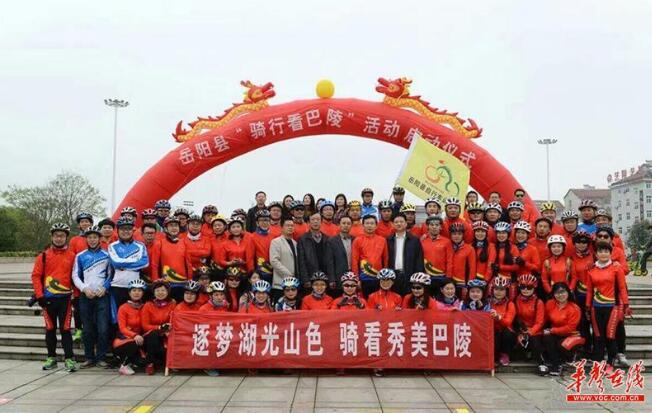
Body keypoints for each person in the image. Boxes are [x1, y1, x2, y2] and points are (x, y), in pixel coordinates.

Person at [32, 223, 77, 371]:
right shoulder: (43, 256)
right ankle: (51, 358)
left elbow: (75, 277)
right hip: (48, 299)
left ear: (66, 238)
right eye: (56, 235)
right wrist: (40, 296)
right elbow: (36, 276)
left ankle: (69, 359)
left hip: (65, 300)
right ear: (51, 237)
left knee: (65, 330)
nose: (59, 238)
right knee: (50, 329)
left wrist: (76, 296)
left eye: (62, 236)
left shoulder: (72, 256)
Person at [72, 225, 112, 369]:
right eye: (90, 237)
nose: (92, 240)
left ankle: (101, 357)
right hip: (86, 296)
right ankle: (89, 358)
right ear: (86, 239)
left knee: (103, 328)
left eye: (95, 237)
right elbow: (75, 275)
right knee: (87, 329)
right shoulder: (80, 256)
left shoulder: (107, 255)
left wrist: (105, 288)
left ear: (100, 239)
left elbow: (111, 275)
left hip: (102, 296)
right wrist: (84, 289)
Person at [586, 242, 631, 369]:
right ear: (596, 254)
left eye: (606, 251)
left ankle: (611, 362)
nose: (603, 254)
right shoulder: (591, 270)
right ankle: (598, 362)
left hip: (612, 307)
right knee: (598, 335)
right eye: (600, 251)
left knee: (610, 335)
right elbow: (589, 291)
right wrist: (587, 306)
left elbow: (622, 288)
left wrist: (626, 304)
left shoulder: (616, 268)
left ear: (610, 254)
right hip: (596, 307)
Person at [108, 217, 149, 312]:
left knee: (135, 314)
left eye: (128, 229)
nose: (126, 231)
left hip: (136, 287)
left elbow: (145, 263)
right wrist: (135, 261)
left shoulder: (140, 246)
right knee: (117, 316)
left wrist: (123, 264)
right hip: (117, 286)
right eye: (122, 229)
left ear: (133, 230)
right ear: (117, 231)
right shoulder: (112, 246)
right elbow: (116, 263)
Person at [543, 282, 582, 376]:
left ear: (568, 292)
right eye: (557, 293)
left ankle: (572, 356)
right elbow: (544, 319)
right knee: (546, 338)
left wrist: (552, 330)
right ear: (553, 294)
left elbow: (570, 328)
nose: (560, 295)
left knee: (561, 345)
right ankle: (556, 364)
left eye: (563, 292)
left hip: (571, 335)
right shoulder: (549, 304)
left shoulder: (574, 308)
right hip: (556, 333)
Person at [150, 216, 192, 302]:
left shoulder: (184, 242)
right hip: (166, 283)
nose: (174, 228)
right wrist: (156, 282)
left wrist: (190, 280)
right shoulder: (159, 243)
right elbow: (154, 265)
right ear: (166, 228)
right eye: (171, 225)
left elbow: (188, 264)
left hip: (182, 283)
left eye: (176, 225)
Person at [113, 279, 147, 376]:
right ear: (129, 292)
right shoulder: (123, 308)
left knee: (143, 362)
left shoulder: (145, 306)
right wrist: (135, 335)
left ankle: (133, 361)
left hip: (140, 339)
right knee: (133, 344)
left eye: (139, 290)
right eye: (134, 290)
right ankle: (124, 365)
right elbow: (122, 328)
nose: (136, 293)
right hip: (124, 340)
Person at [141, 279, 176, 375]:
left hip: (167, 334)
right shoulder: (148, 305)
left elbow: (174, 320)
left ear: (167, 292)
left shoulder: (173, 304)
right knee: (154, 334)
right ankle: (150, 363)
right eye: (157, 290)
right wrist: (160, 328)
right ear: (153, 292)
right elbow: (145, 326)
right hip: (150, 336)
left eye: (163, 290)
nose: (160, 293)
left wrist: (167, 329)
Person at [513, 274, 546, 374]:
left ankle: (541, 363)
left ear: (534, 287)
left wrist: (529, 332)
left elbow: (540, 322)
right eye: (523, 287)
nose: (525, 290)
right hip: (521, 329)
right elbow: (516, 317)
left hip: (535, 330)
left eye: (529, 287)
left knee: (535, 342)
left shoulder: (539, 302)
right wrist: (521, 331)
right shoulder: (516, 300)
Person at [387, 212, 424, 295]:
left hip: (409, 275)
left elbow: (419, 259)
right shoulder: (389, 240)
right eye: (396, 222)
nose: (399, 224)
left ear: (406, 223)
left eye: (401, 221)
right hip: (393, 276)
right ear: (392, 224)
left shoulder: (414, 240)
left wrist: (418, 276)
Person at [352, 215, 388, 297]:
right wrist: (356, 279)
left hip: (379, 278)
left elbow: (385, 259)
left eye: (372, 223)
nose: (369, 226)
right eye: (367, 223)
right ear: (363, 225)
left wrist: (385, 277)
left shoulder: (382, 240)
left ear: (376, 225)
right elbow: (354, 260)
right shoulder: (357, 240)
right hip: (364, 278)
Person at [571, 231, 594, 348]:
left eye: (584, 242)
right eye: (578, 242)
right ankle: (585, 347)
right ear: (574, 243)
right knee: (582, 323)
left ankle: (598, 348)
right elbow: (572, 277)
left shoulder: (594, 256)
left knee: (595, 323)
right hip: (579, 294)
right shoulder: (571, 258)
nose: (581, 244)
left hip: (595, 294)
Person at [421, 215, 453, 293]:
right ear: (427, 227)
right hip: (426, 276)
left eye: (437, 225)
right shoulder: (422, 241)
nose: (434, 227)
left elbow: (449, 260)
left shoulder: (447, 242)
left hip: (441, 276)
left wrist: (448, 276)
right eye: (431, 225)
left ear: (440, 227)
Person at [298, 213, 329, 291]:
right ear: (308, 222)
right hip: (310, 276)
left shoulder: (327, 238)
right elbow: (301, 261)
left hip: (325, 276)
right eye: (313, 219)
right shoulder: (303, 239)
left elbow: (330, 260)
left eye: (318, 219)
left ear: (321, 222)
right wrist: (305, 279)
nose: (315, 222)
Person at [489, 276, 516, 366]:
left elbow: (508, 322)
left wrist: (498, 317)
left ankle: (505, 354)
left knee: (507, 333)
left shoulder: (510, 304)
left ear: (506, 291)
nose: (498, 292)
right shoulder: (488, 302)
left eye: (502, 289)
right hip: (492, 331)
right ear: (492, 290)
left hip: (505, 332)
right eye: (496, 289)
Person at [270, 218, 298, 303]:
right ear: (282, 227)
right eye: (287, 225)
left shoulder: (295, 243)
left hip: (293, 284)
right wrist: (288, 274)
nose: (290, 227)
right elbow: (274, 261)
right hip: (280, 283)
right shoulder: (276, 242)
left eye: (292, 225)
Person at [324, 215, 354, 297]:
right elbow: (329, 261)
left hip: (352, 276)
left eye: (348, 223)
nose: (346, 225)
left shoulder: (355, 239)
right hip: (338, 276)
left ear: (351, 225)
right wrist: (331, 279)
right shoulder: (332, 241)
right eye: (343, 223)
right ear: (339, 225)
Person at [513, 221, 541, 297]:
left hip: (527, 283)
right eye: (518, 232)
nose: (520, 235)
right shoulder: (512, 247)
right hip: (513, 280)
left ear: (527, 235)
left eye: (523, 233)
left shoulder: (532, 249)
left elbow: (537, 267)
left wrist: (524, 263)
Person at [449, 223, 476, 299]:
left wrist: (469, 285)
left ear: (463, 235)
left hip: (462, 284)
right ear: (450, 235)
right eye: (454, 234)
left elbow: (472, 268)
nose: (456, 236)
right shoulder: (447, 246)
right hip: (448, 282)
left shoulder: (469, 249)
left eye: (459, 234)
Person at [492, 222, 519, 295]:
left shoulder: (513, 248)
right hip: (495, 278)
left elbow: (516, 267)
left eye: (503, 233)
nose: (501, 235)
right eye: (499, 233)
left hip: (509, 279)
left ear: (508, 234)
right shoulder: (492, 246)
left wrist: (500, 267)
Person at [250, 209, 275, 284]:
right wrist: (252, 272)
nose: (265, 222)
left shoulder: (274, 237)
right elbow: (250, 257)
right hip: (258, 273)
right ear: (257, 223)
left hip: (273, 272)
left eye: (267, 220)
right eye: (262, 220)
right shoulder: (251, 237)